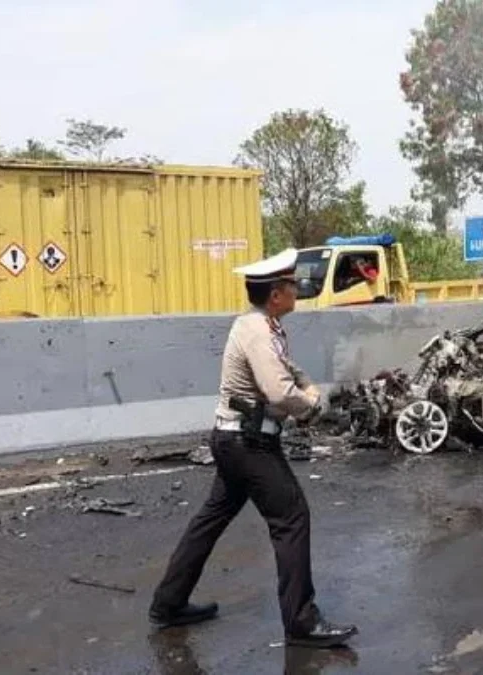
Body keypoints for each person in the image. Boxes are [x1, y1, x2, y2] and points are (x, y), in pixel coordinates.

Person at [148, 247, 358, 649]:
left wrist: (305, 387)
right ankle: (301, 622)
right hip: (248, 443)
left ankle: (168, 603)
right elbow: (278, 389)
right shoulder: (259, 331)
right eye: (291, 284)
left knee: (211, 518)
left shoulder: (261, 326)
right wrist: (311, 405)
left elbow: (288, 371)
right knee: (292, 517)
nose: (298, 288)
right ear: (276, 294)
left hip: (235, 440)